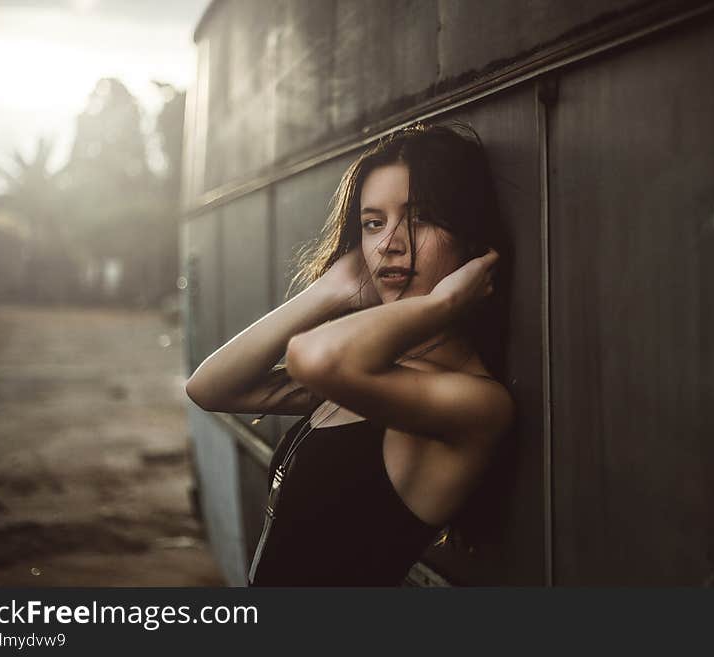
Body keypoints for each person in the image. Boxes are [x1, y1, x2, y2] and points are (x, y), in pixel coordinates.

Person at [185, 122, 515, 586]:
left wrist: (442, 304)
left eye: (420, 217)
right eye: (373, 223)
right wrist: (332, 288)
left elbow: (314, 358)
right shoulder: (370, 376)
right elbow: (208, 386)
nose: (390, 243)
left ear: (471, 238)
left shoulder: (472, 403)